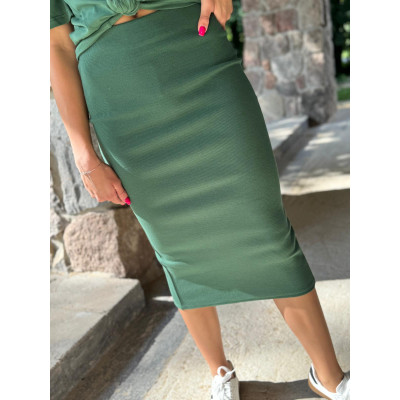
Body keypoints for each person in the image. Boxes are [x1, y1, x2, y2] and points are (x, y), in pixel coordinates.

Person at [50, 0, 350, 398]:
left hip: (197, 56)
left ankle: (328, 376)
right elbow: (56, 44)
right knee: (177, 248)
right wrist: (83, 153)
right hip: (119, 103)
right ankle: (219, 371)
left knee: (265, 225)